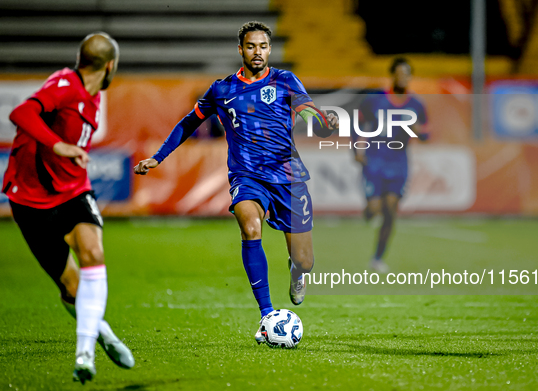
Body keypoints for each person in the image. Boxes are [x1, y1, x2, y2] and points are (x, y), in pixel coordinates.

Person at [134, 21, 337, 342]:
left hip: (287, 177)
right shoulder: (222, 89)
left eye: (263, 46)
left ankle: (298, 272)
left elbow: (307, 109)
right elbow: (189, 122)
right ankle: (268, 314)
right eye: (251, 46)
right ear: (240, 49)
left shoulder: (285, 80)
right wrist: (159, 157)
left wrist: (323, 122)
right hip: (247, 176)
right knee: (249, 225)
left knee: (305, 260)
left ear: (270, 50)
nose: (258, 52)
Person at [2, 32, 134, 384]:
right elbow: (22, 112)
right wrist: (57, 145)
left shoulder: (91, 97)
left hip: (73, 191)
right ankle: (103, 333)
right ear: (110, 66)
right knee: (71, 289)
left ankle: (84, 353)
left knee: (93, 250)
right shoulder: (65, 85)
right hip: (29, 200)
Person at [354, 57, 429, 273]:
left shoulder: (416, 105)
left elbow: (426, 133)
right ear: (392, 75)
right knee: (375, 209)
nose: (403, 78)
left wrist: (419, 131)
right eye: (399, 74)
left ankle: (377, 257)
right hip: (374, 160)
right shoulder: (374, 100)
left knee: (391, 210)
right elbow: (357, 124)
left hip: (398, 163)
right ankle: (368, 212)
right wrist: (356, 149)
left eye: (407, 74)